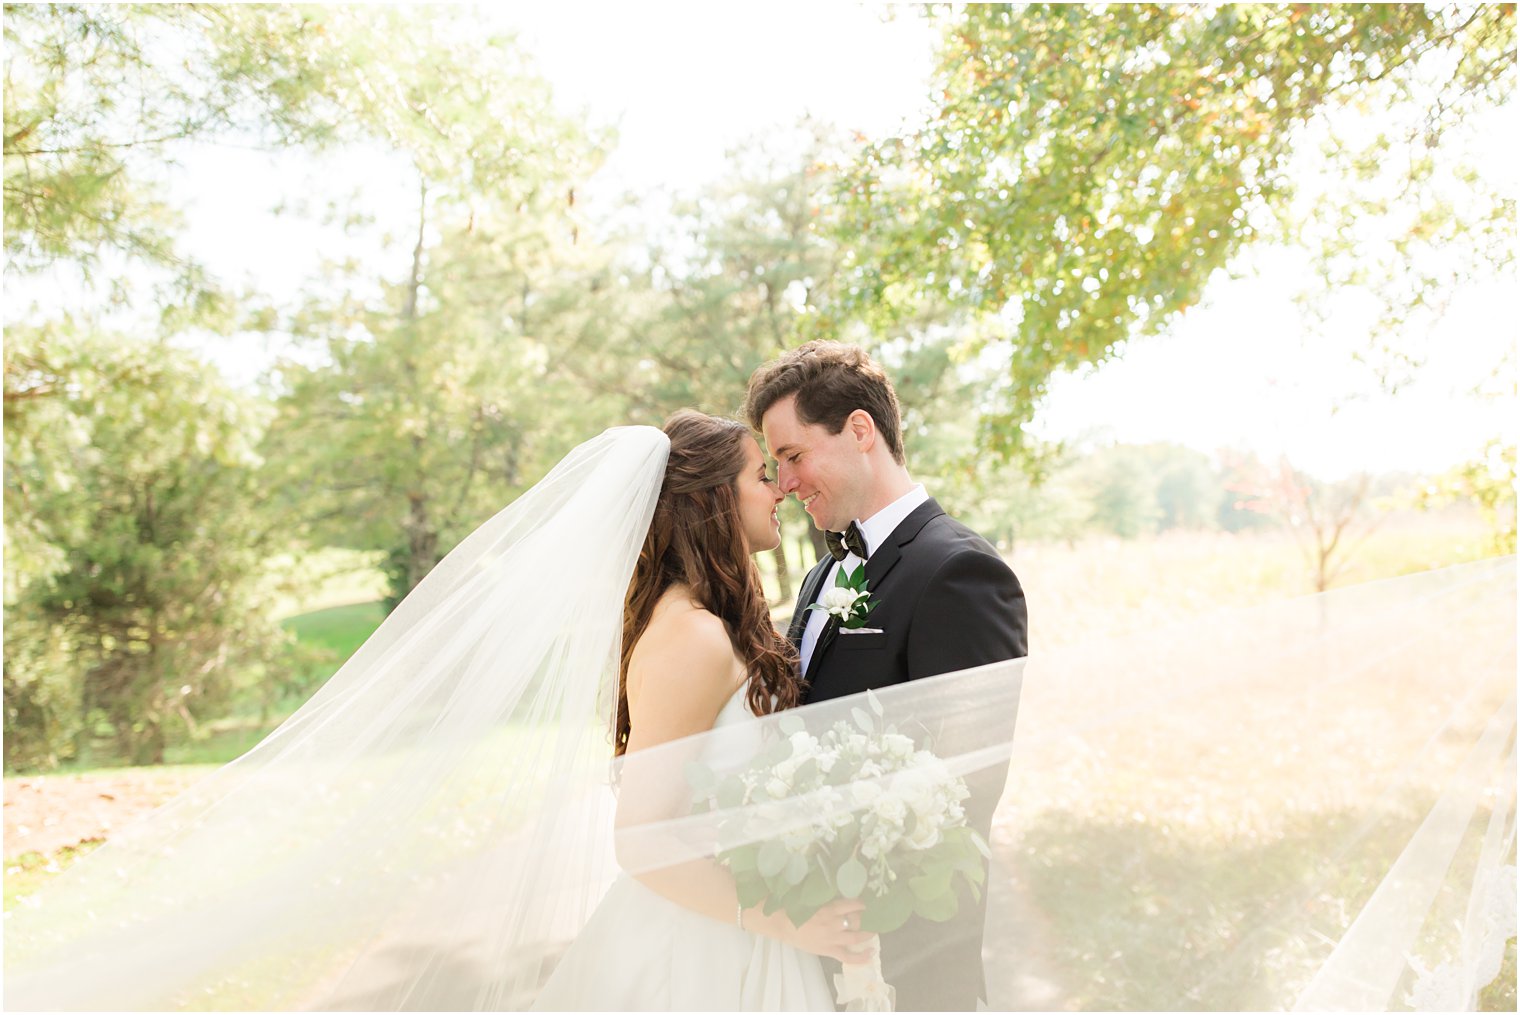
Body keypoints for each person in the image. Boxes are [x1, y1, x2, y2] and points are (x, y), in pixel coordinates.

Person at [530, 409, 871, 1010]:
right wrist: (787, 924)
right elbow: (640, 839)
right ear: (715, 498)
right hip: (699, 958)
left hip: (739, 927)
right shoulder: (691, 636)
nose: (780, 490)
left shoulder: (712, 624)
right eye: (761, 475)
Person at [747, 341, 1029, 1011]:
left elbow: (963, 792)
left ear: (860, 430)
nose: (783, 482)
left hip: (908, 965)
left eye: (792, 455)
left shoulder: (959, 572)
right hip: (815, 954)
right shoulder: (824, 572)